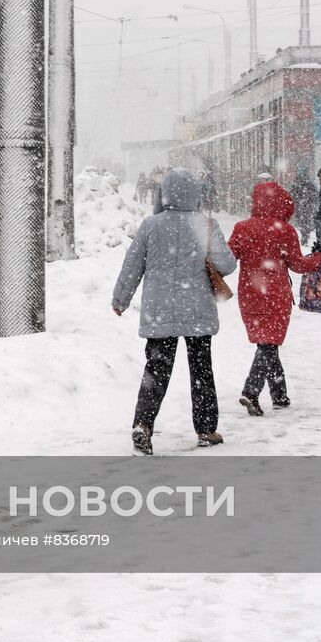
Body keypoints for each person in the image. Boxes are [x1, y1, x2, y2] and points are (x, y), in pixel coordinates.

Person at [112, 168, 237, 455]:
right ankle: (206, 429)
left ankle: (143, 425)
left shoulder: (150, 226)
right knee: (202, 370)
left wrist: (120, 298)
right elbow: (228, 265)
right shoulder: (205, 224)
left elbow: (132, 266)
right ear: (195, 192)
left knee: (156, 369)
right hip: (198, 311)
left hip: (160, 311)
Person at [228, 182, 321, 415]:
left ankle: (279, 395)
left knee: (267, 343)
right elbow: (298, 265)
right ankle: (251, 392)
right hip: (275, 296)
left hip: (250, 294)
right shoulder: (284, 230)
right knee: (269, 344)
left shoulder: (242, 228)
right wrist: (318, 257)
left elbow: (228, 259)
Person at [289, 164, 318, 247]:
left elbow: (292, 195)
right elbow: (314, 195)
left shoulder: (296, 183)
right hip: (305, 207)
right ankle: (305, 235)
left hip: (301, 207)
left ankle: (304, 236)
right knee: (304, 222)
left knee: (302, 222)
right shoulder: (309, 183)